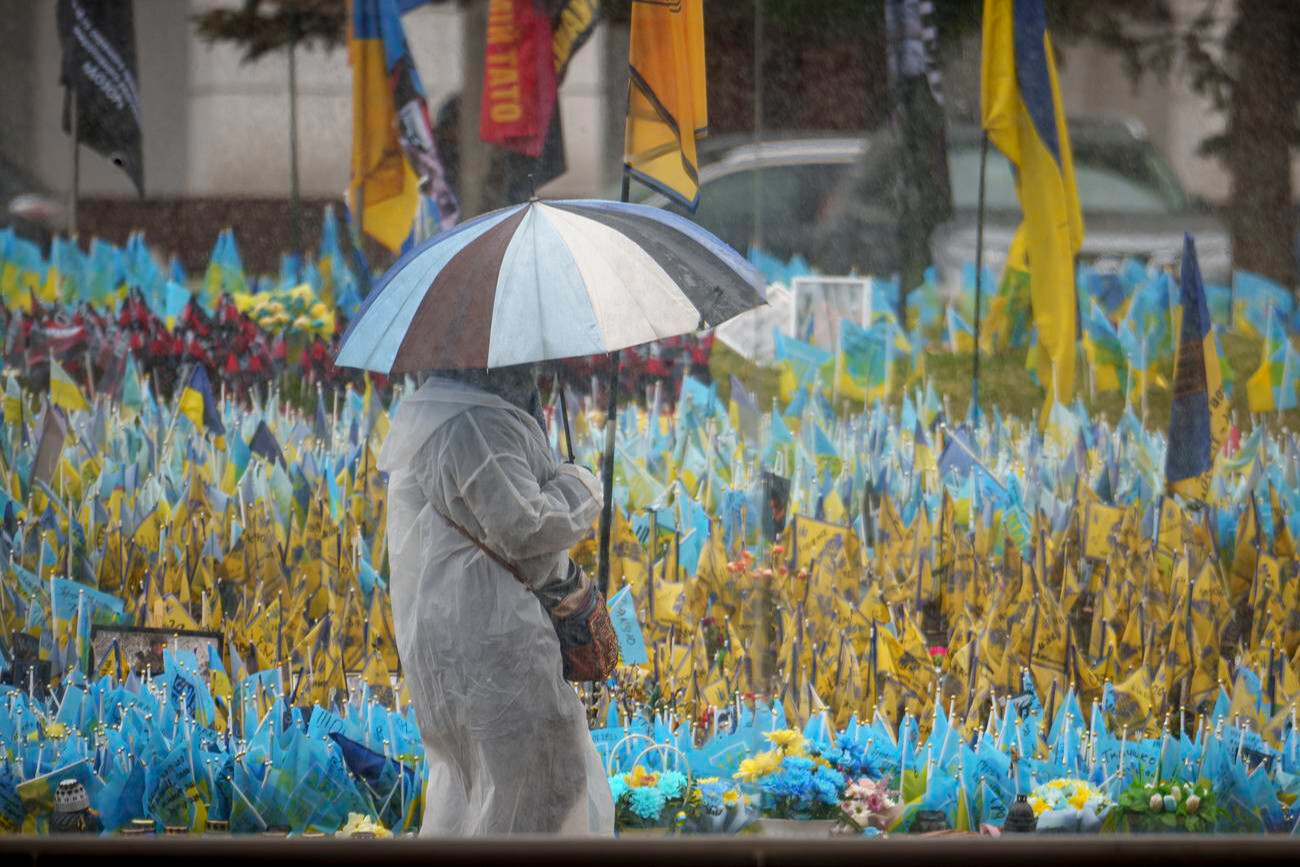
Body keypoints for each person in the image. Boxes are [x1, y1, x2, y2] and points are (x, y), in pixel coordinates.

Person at [377, 365, 614, 836]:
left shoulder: (440, 413)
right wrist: (583, 484)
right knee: (534, 780)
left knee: (475, 786)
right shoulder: (472, 424)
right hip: (497, 639)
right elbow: (525, 523)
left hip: (457, 640)